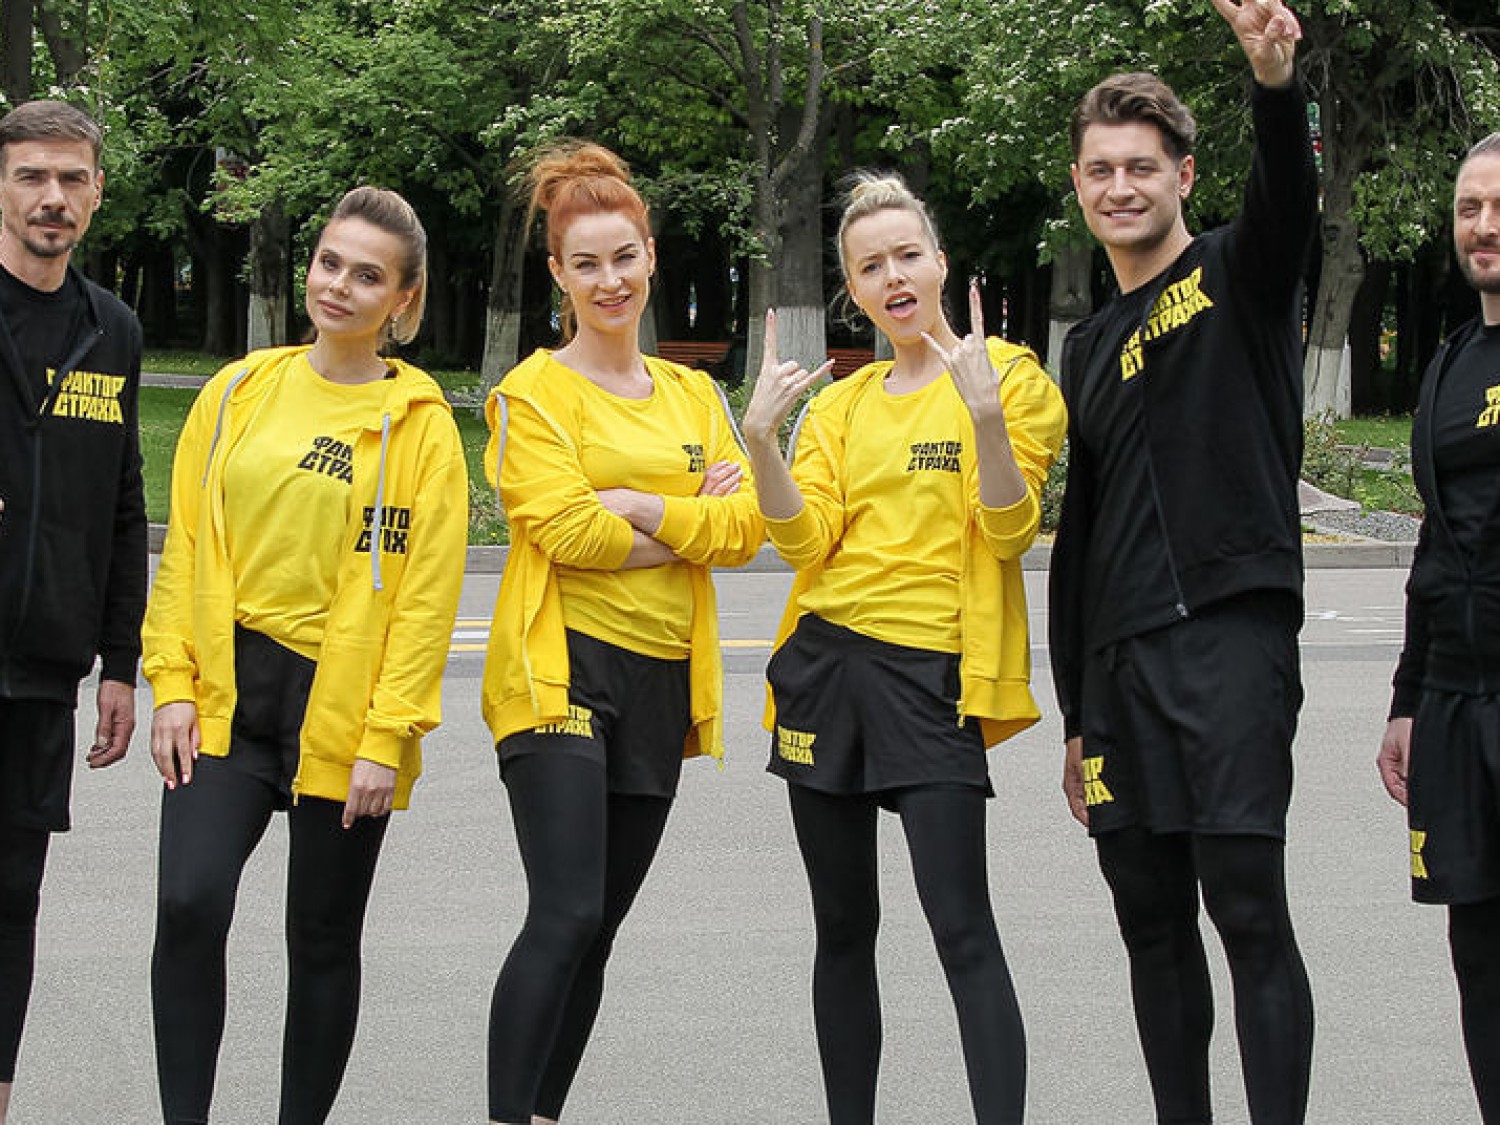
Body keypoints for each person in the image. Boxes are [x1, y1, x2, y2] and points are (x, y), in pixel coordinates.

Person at [743, 174, 1066, 1124]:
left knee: (963, 928)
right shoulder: (843, 406)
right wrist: (761, 441)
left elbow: (1009, 530)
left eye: (907, 256)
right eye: (870, 266)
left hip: (933, 677)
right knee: (843, 928)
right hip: (825, 668)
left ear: (940, 263)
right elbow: (806, 542)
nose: (893, 277)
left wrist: (987, 419)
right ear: (853, 288)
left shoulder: (1006, 377)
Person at [142, 186, 468, 1125]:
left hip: (345, 709)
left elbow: (426, 601)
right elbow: (187, 548)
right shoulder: (238, 392)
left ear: (402, 300)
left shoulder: (422, 427)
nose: (339, 286)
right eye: (330, 262)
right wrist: (171, 683)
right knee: (189, 904)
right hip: (227, 690)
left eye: (368, 276)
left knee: (322, 938)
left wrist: (386, 737)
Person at [1048, 2, 1318, 1122]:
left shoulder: (1236, 275)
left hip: (1228, 641)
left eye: (1142, 167)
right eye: (1101, 170)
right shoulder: (1085, 347)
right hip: (1120, 677)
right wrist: (1076, 711)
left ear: (1184, 176)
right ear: (1079, 185)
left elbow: (1287, 202)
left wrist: (1274, 83)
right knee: (1150, 928)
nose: (1121, 187)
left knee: (1246, 910)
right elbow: (1080, 538)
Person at [481, 141, 763, 1125]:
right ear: (558, 274)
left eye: (624, 258)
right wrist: (686, 519)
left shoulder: (693, 396)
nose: (610, 281)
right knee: (564, 912)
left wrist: (640, 503)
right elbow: (565, 532)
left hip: (659, 682)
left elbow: (744, 530)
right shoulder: (531, 396)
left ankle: (542, 1113)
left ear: (650, 257)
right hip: (558, 672)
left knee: (597, 926)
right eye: (587, 263)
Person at [0, 99, 144, 1125]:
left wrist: (120, 661)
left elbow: (124, 502)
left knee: (13, 899)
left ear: (96, 192)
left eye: (71, 179)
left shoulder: (112, 330)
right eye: (31, 176)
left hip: (45, 669)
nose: (52, 197)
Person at [1378, 131, 1500, 1124]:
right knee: (1480, 955)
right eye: (1469, 208)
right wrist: (1407, 700)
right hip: (1456, 708)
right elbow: (1433, 545)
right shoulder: (1452, 362)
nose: (1484, 226)